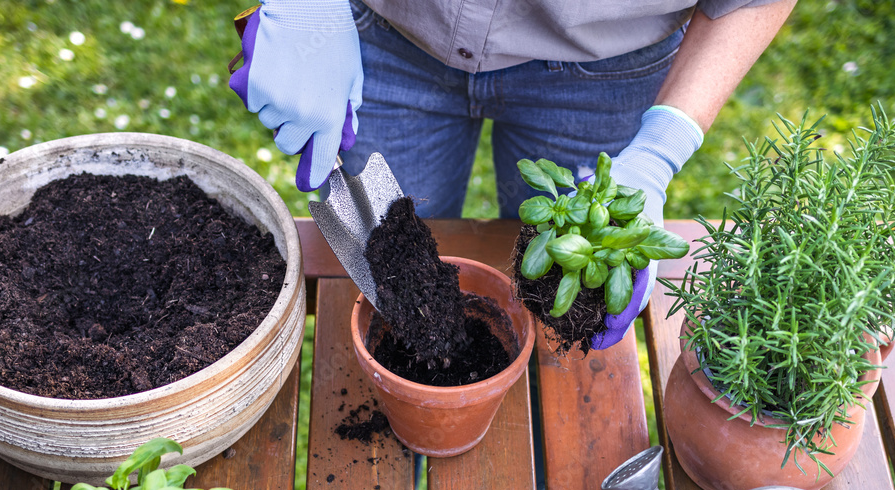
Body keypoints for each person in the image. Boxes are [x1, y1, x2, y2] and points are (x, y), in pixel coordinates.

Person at [229, 0, 796, 348]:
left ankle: (536, 478)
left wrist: (657, 152)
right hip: (387, 31)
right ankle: (417, 452)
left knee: (556, 316)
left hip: (604, 65)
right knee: (397, 288)